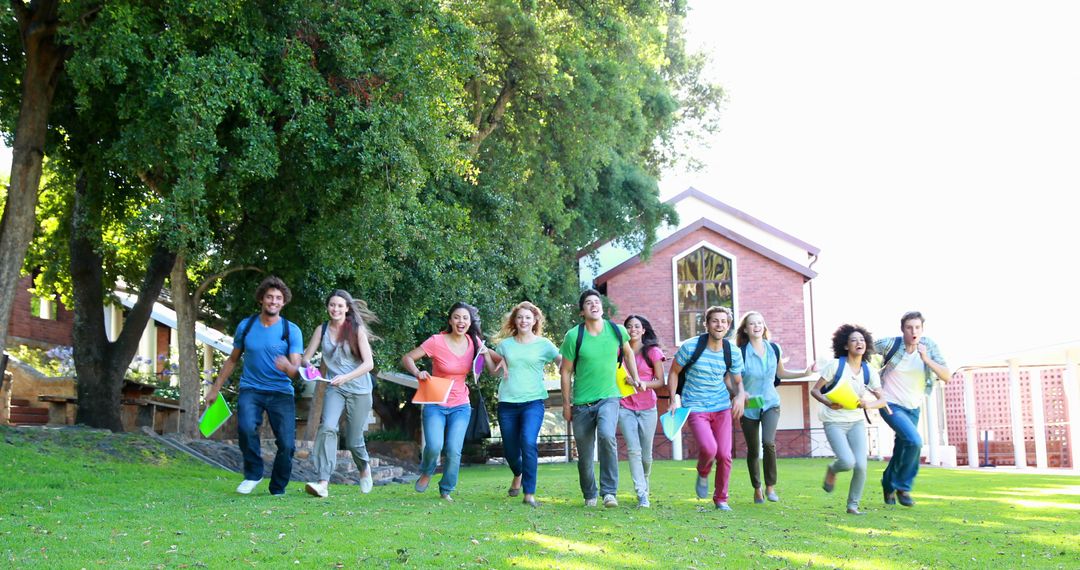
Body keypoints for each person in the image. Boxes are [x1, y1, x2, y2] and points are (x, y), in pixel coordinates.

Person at [205, 276, 304, 496]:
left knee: (287, 445)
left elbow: (296, 369)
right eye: (270, 297)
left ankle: (277, 488)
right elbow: (232, 360)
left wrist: (288, 366)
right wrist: (215, 388)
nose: (274, 301)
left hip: (281, 392)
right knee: (246, 427)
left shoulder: (291, 330)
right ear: (261, 299)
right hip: (251, 388)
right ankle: (253, 474)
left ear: (284, 302)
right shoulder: (246, 326)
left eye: (278, 298)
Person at [283, 290, 379, 499]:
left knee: (353, 440)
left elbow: (369, 364)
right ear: (328, 307)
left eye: (339, 305)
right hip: (335, 388)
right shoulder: (322, 329)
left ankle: (364, 467)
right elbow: (306, 358)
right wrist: (310, 368)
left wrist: (346, 377)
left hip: (360, 389)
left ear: (347, 308)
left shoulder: (356, 330)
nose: (335, 309)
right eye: (332, 305)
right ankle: (323, 482)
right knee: (327, 427)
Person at [559, 289, 641, 508]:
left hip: (609, 397)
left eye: (597, 302)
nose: (594, 305)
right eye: (588, 303)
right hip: (581, 404)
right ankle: (589, 494)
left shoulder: (617, 331)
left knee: (607, 435)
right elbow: (565, 371)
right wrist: (566, 404)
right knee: (585, 456)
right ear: (582, 311)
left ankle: (609, 492)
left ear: (602, 307)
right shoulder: (574, 336)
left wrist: (635, 377)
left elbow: (628, 352)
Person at [401, 302, 488, 501]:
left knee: (454, 450)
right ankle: (427, 471)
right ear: (450, 320)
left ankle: (446, 489)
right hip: (435, 402)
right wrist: (417, 372)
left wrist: (502, 362)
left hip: (461, 405)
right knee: (434, 446)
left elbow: (493, 360)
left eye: (465, 318)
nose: (461, 321)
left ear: (470, 322)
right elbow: (407, 358)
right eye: (457, 317)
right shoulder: (436, 341)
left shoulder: (474, 341)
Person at [667, 305, 745, 511]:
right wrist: (673, 399)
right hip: (695, 406)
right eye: (715, 321)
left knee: (725, 455)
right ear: (706, 324)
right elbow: (674, 372)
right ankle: (703, 472)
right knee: (709, 449)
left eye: (724, 321)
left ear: (728, 326)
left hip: (721, 407)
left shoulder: (732, 352)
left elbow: (737, 381)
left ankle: (721, 499)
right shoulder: (691, 347)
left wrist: (740, 396)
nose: (719, 325)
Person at [485, 302, 561, 508]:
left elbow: (561, 363)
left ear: (535, 320)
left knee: (528, 442)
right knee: (510, 451)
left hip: (533, 402)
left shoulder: (544, 344)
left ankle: (529, 493)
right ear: (515, 321)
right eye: (520, 317)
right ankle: (517, 473)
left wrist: (575, 363)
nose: (524, 321)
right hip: (507, 403)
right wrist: (485, 355)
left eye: (528, 317)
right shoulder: (505, 346)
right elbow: (494, 371)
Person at [734, 311, 814, 504]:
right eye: (752, 324)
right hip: (750, 404)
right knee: (753, 450)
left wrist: (803, 373)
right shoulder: (741, 352)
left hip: (770, 402)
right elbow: (733, 379)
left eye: (760, 323)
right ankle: (757, 488)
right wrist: (740, 394)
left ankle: (771, 486)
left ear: (764, 327)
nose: (757, 326)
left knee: (768, 442)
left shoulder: (774, 349)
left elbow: (781, 373)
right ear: (745, 329)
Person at [873, 311, 950, 507]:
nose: (913, 331)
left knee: (903, 447)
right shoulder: (890, 344)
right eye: (909, 327)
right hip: (889, 403)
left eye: (917, 327)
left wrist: (927, 360)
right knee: (915, 441)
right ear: (903, 329)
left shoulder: (929, 347)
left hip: (913, 406)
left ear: (922, 330)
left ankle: (888, 484)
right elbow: (862, 349)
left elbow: (946, 376)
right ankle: (903, 488)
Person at [810, 324, 889, 515]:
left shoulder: (868, 371)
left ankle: (853, 505)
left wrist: (868, 404)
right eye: (854, 340)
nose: (858, 343)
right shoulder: (835, 366)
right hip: (834, 421)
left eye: (862, 340)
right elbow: (815, 390)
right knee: (846, 461)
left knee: (861, 465)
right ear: (846, 346)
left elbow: (882, 400)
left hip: (856, 422)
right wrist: (829, 403)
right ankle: (832, 469)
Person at [618, 314, 665, 508]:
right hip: (625, 406)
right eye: (629, 326)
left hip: (647, 407)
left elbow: (660, 381)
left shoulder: (652, 352)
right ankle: (641, 494)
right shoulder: (619, 351)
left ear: (643, 330)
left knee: (646, 455)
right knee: (633, 450)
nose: (633, 329)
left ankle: (644, 482)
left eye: (637, 326)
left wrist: (641, 383)